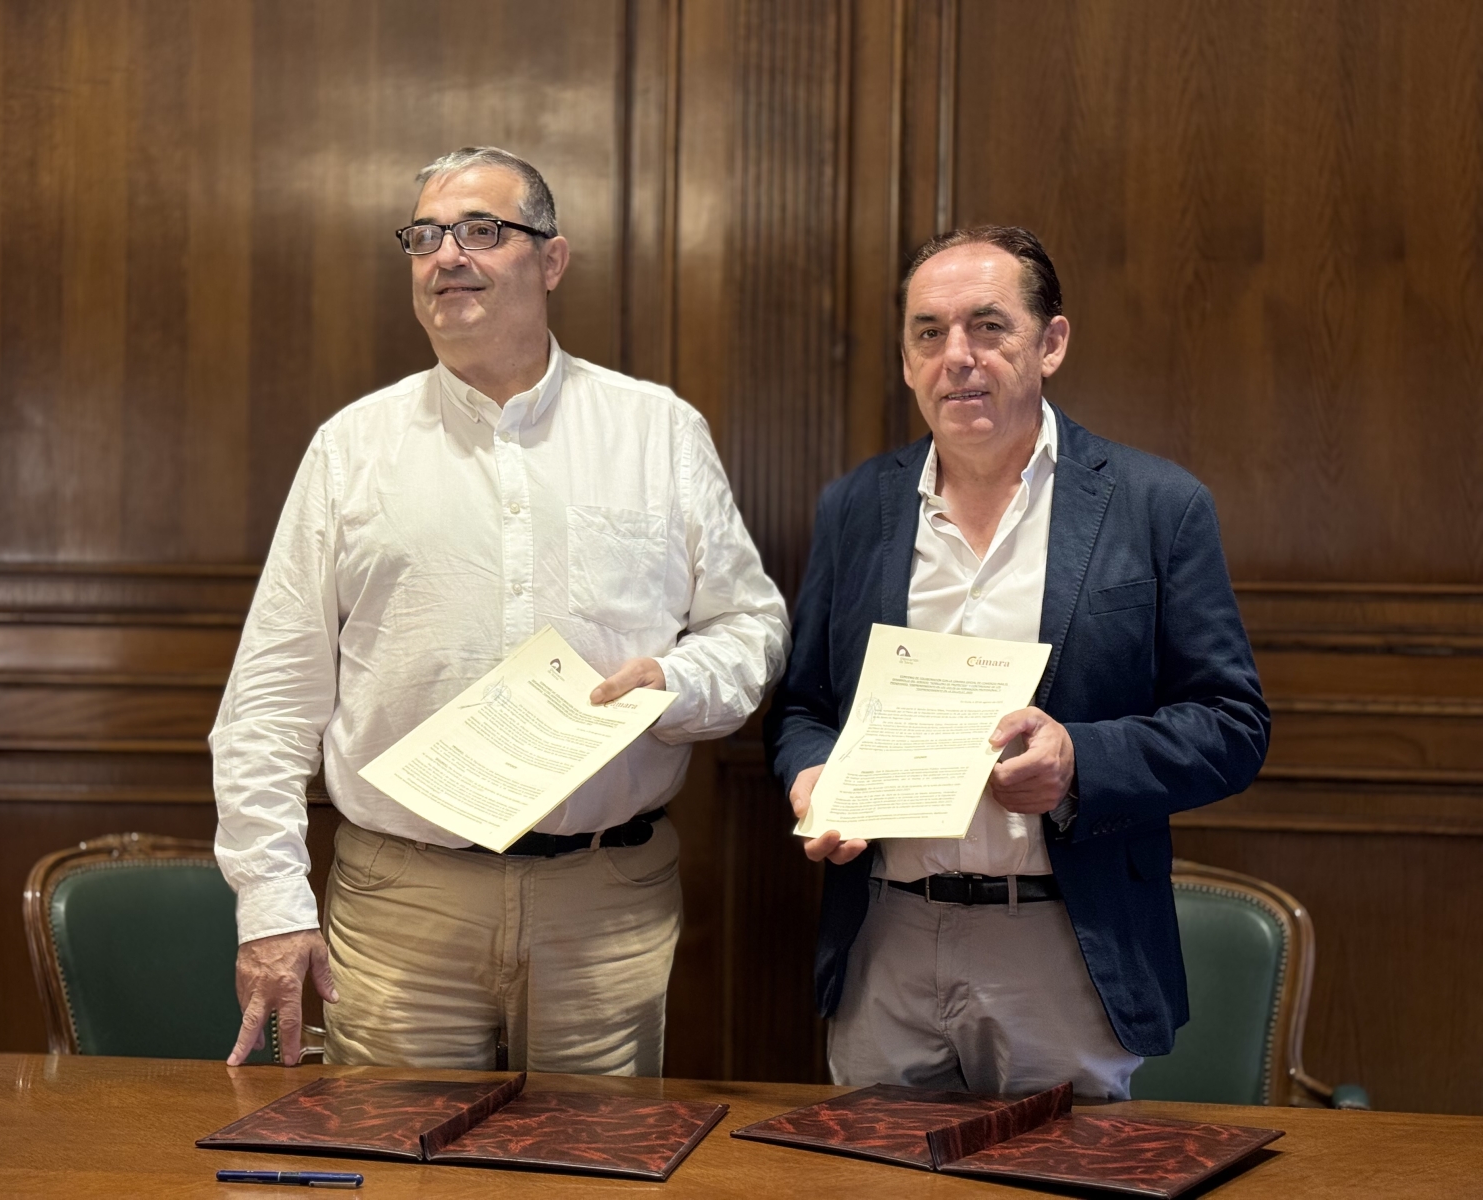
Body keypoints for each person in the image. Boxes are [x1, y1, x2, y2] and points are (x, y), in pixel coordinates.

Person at [213, 146, 788, 1074]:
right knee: (390, 1154)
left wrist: (677, 684)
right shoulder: (351, 449)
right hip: (403, 907)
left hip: (605, 905)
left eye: (482, 231)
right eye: (426, 237)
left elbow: (750, 626)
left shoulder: (657, 432)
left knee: (592, 1157)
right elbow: (269, 702)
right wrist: (273, 908)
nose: (448, 256)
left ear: (551, 261)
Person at [765, 226, 1268, 1099]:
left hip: (1062, 941)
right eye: (929, 333)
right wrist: (814, 776)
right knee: (874, 1168)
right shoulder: (856, 507)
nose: (957, 356)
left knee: (1060, 1168)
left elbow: (1233, 725)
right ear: (907, 359)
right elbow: (804, 708)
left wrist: (1080, 761)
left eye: (988, 326)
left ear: (1051, 343)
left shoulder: (1156, 506)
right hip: (886, 938)